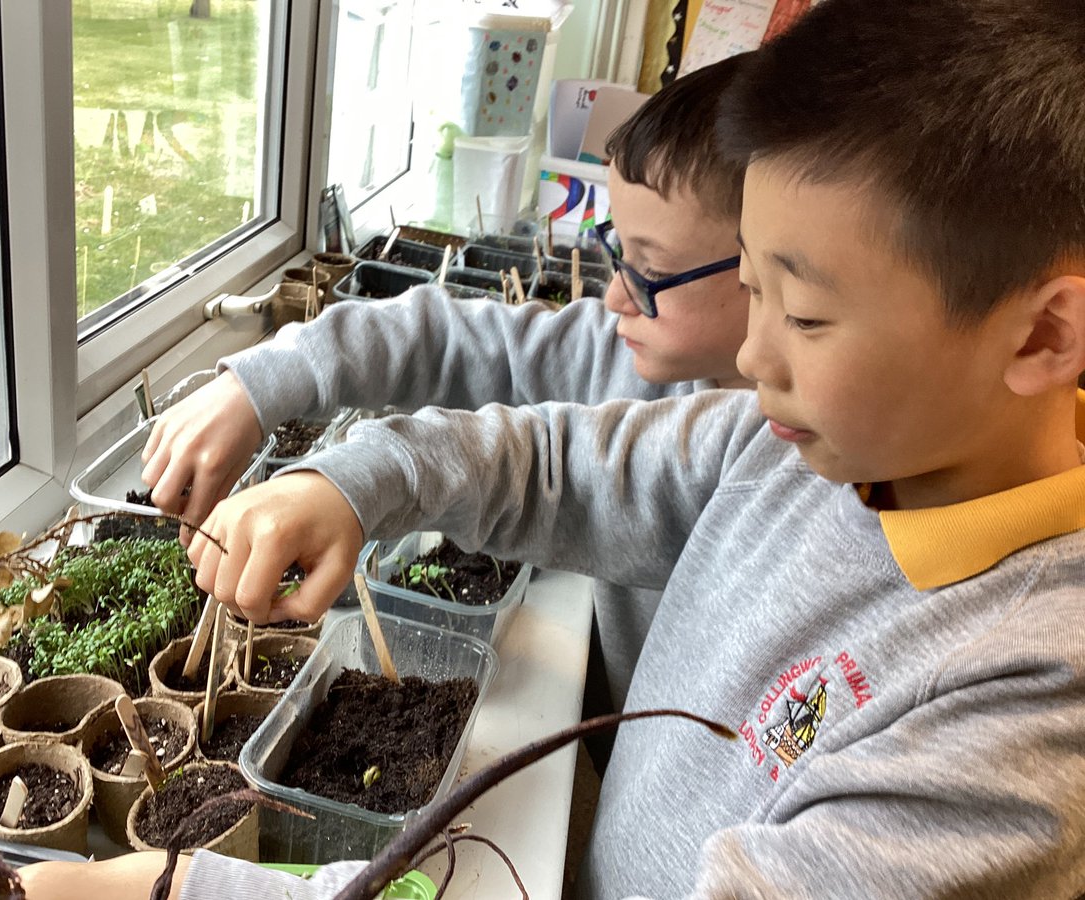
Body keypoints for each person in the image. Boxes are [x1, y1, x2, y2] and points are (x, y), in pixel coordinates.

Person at [173, 0, 1085, 895]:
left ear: (1043, 339)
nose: (753, 353)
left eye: (804, 314)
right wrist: (357, 481)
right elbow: (556, 462)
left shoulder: (1024, 720)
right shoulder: (807, 447)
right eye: (754, 289)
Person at [141, 53, 752, 717]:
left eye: (652, 271)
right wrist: (260, 386)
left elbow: (546, 469)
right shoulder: (628, 352)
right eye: (616, 252)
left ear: (768, 271)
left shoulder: (777, 469)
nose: (614, 299)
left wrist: (363, 480)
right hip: (626, 720)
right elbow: (448, 337)